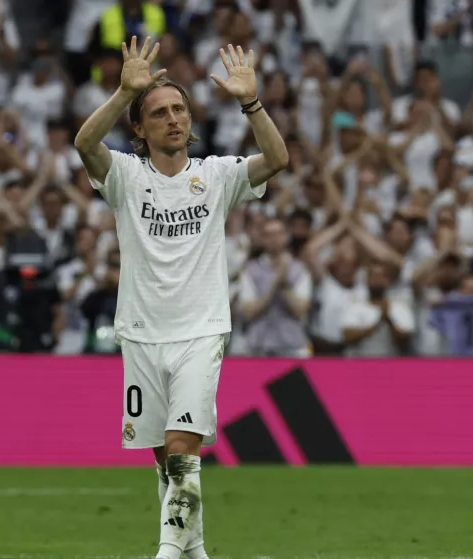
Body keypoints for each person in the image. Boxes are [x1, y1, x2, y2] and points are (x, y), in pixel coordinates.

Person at [73, 36, 288, 559]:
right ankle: (194, 552)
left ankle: (166, 554)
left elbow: (278, 158)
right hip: (141, 332)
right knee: (164, 463)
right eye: (160, 112)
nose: (173, 119)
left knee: (182, 449)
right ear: (140, 129)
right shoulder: (124, 176)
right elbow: (84, 143)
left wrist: (250, 103)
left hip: (200, 330)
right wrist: (125, 92)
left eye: (180, 110)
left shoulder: (215, 176)